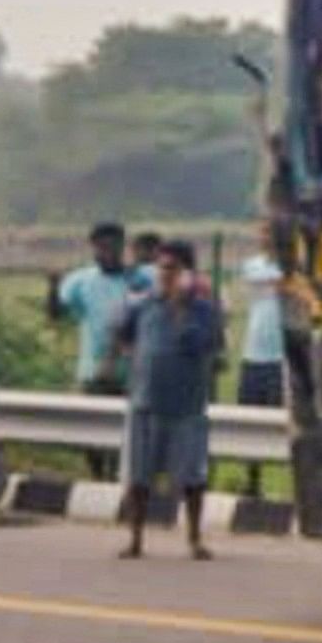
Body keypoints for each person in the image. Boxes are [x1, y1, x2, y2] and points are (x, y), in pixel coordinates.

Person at [110, 240, 226, 560]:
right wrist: (131, 354)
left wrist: (180, 307)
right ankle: (135, 539)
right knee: (138, 475)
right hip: (145, 402)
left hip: (186, 406)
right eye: (161, 267)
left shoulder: (205, 311)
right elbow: (119, 327)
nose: (165, 274)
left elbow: (204, 345)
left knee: (192, 477)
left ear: (188, 272)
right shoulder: (144, 302)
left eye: (172, 268)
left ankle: (194, 538)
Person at [50, 221, 137, 394]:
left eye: (111, 247)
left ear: (122, 247)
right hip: (91, 375)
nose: (106, 253)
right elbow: (56, 315)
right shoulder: (79, 281)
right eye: (100, 248)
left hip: (132, 378)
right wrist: (53, 287)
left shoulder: (138, 280)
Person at [233, 248, 287, 409]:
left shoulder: (295, 265)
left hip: (281, 359)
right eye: (264, 232)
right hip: (252, 356)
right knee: (246, 414)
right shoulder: (252, 264)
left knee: (276, 417)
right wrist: (282, 282)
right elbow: (250, 280)